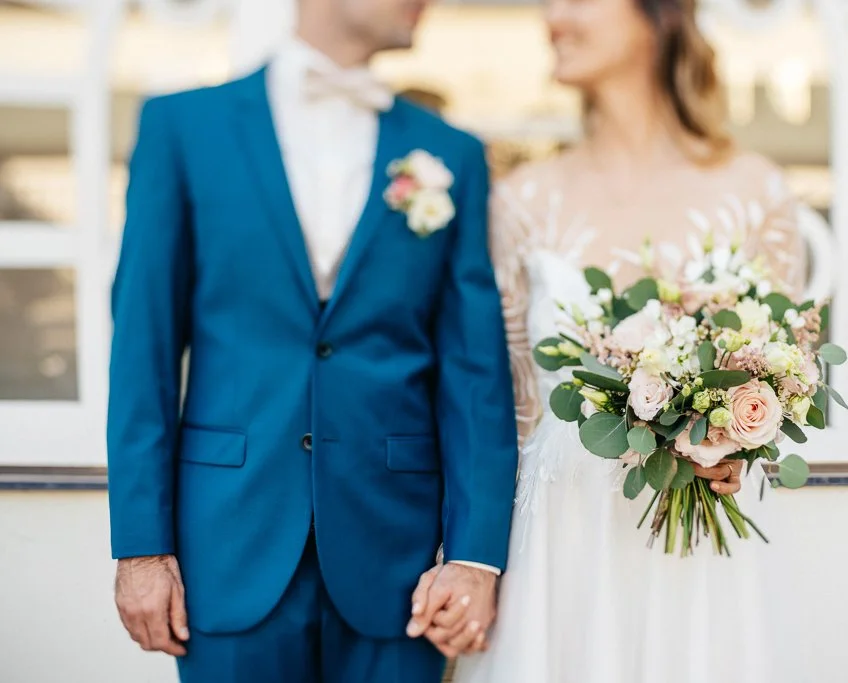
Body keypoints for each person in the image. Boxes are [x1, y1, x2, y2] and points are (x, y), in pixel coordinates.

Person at [106, 1, 519, 681]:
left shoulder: (452, 153)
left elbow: (474, 371)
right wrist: (141, 548)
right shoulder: (183, 128)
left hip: (401, 564)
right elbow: (142, 350)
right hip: (227, 546)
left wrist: (475, 557)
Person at [449, 0, 806, 681]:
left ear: (658, 15)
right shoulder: (522, 202)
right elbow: (508, 414)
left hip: (702, 561)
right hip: (563, 555)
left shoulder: (755, 193)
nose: (553, 18)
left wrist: (733, 442)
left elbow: (783, 375)